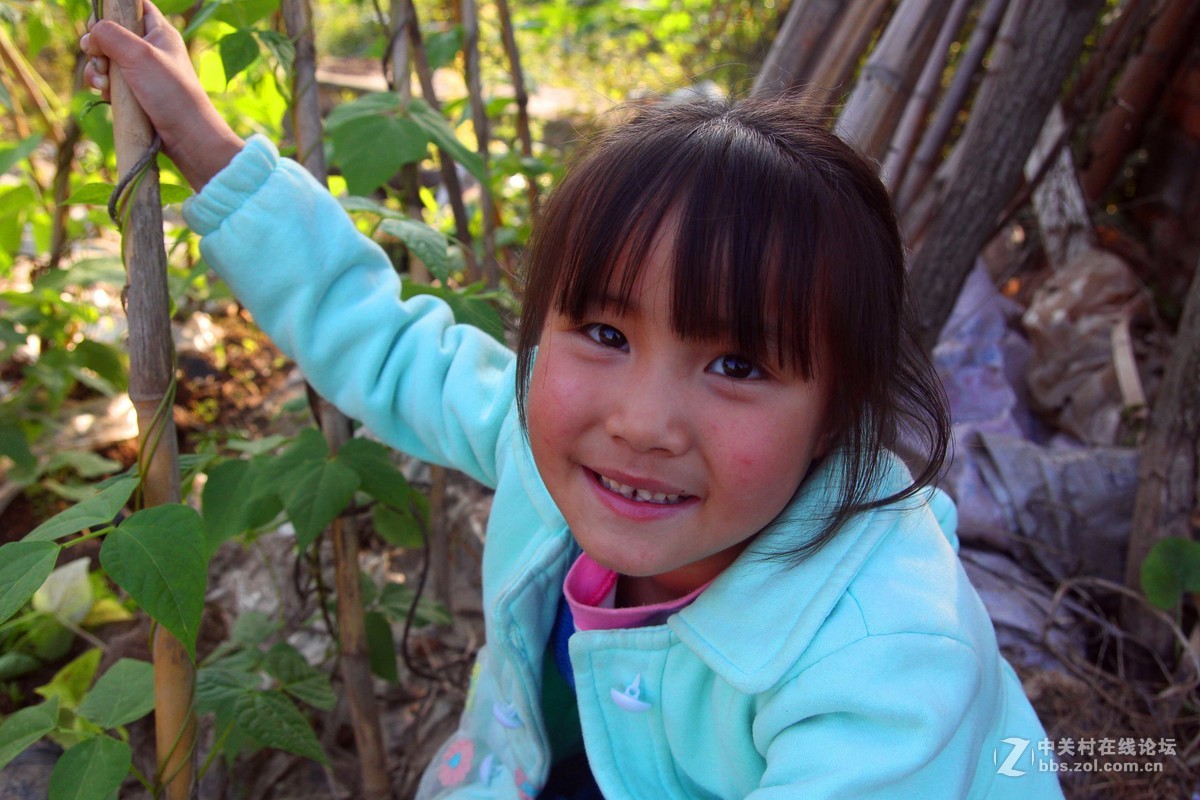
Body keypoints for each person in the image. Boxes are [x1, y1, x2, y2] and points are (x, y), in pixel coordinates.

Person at [82, 4, 1063, 798]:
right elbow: (383, 340)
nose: (640, 420)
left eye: (736, 366)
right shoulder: (555, 443)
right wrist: (208, 148)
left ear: (837, 411)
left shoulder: (884, 662)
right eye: (604, 334)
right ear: (540, 330)